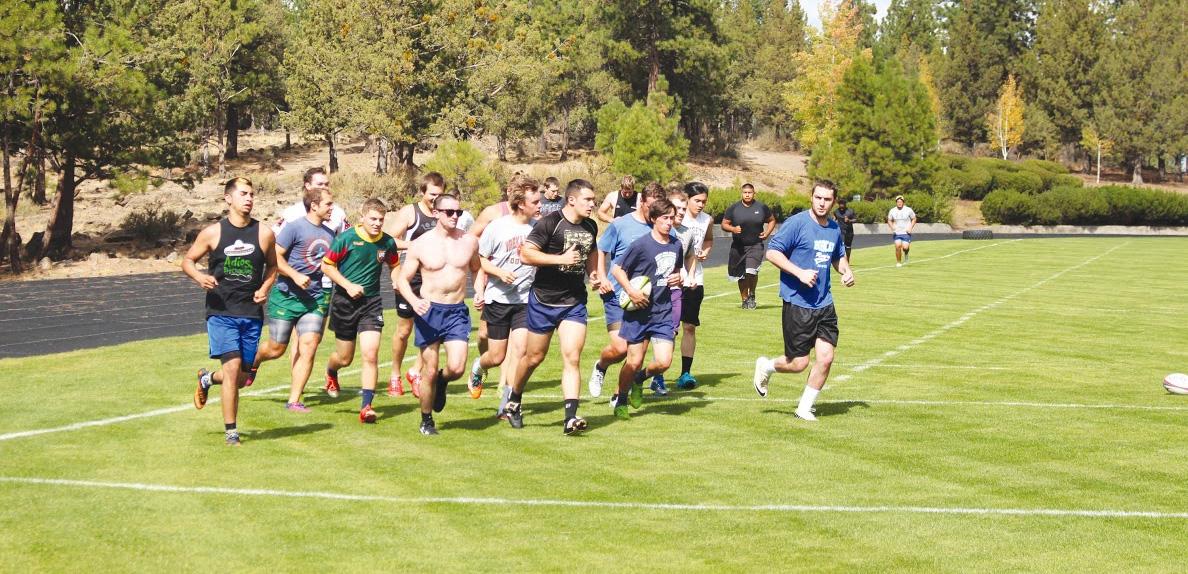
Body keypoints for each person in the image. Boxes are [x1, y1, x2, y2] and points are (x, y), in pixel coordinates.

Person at [185, 177, 278, 446]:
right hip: (221, 311)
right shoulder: (213, 233)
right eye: (243, 194)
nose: (249, 198)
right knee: (233, 365)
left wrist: (266, 287)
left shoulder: (264, 233)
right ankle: (231, 432)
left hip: (251, 313)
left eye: (252, 194)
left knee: (240, 377)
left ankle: (206, 379)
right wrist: (199, 276)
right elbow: (188, 261)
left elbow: (273, 267)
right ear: (228, 198)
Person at [752, 180, 855, 422]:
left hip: (824, 303)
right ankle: (766, 366)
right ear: (811, 197)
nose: (822, 203)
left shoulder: (834, 228)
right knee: (798, 363)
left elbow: (838, 256)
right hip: (798, 303)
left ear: (833, 201)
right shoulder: (797, 223)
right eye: (818, 198)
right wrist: (799, 272)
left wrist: (846, 271)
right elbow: (772, 253)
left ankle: (804, 408)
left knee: (826, 358)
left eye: (827, 199)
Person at [504, 179, 600, 435]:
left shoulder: (591, 225)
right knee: (534, 357)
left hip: (574, 302)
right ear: (571, 200)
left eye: (593, 200)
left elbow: (592, 252)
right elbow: (526, 254)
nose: (592, 204)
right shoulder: (550, 222)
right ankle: (514, 399)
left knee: (572, 356)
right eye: (588, 199)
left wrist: (593, 274)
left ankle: (570, 417)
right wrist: (560, 259)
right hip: (544, 301)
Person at [395, 193, 481, 436]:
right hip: (429, 310)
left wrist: (479, 291)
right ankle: (426, 419)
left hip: (456, 311)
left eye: (459, 212)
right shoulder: (420, 244)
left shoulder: (468, 241)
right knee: (429, 370)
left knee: (456, 368)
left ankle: (443, 382)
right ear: (436, 214)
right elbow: (403, 279)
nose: (455, 216)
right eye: (449, 212)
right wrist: (413, 300)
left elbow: (477, 269)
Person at [251, 185, 338, 412]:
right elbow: (274, 259)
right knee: (276, 349)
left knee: (309, 346)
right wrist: (295, 275)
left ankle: (294, 400)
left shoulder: (330, 234)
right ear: (314, 205)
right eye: (328, 204)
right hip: (286, 296)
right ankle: (255, 361)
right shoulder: (294, 228)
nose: (332, 208)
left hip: (315, 299)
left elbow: (330, 264)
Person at [321, 198, 401, 424]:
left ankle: (367, 406)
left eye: (381, 220)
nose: (377, 223)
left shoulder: (387, 242)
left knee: (371, 353)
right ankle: (331, 371)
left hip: (372, 303)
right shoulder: (346, 238)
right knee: (345, 358)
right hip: (345, 303)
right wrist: (347, 285)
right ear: (362, 217)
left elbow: (394, 265)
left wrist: (396, 280)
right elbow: (326, 265)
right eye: (373, 219)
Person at [469, 178, 542, 413]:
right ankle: (479, 367)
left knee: (520, 352)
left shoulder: (538, 228)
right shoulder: (497, 227)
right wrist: (499, 272)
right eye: (535, 201)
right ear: (521, 203)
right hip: (498, 299)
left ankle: (507, 406)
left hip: (524, 300)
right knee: (497, 356)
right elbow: (478, 259)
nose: (540, 205)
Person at [587, 183, 666, 400]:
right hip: (616, 294)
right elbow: (601, 250)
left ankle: (618, 395)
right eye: (651, 207)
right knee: (621, 348)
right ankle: (601, 366)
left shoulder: (661, 226)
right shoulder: (621, 224)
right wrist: (602, 278)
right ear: (641, 202)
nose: (654, 213)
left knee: (636, 357)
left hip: (645, 298)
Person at [609, 199, 684, 419]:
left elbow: (676, 270)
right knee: (633, 361)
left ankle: (640, 380)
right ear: (653, 219)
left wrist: (678, 277)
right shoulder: (641, 245)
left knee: (663, 362)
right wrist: (631, 290)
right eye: (665, 218)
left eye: (672, 218)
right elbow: (617, 270)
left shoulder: (676, 244)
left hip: (662, 312)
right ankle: (621, 399)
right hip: (638, 313)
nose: (669, 223)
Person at [381, 172, 444, 397]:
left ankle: (415, 371)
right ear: (423, 192)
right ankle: (395, 375)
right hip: (411, 279)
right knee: (404, 329)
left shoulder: (443, 213)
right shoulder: (411, 212)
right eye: (432, 194)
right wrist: (413, 246)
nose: (435, 199)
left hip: (434, 280)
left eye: (439, 194)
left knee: (432, 330)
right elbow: (387, 240)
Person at [673, 182, 713, 390]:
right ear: (686, 198)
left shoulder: (707, 220)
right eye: (697, 201)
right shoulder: (675, 215)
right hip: (671, 279)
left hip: (694, 279)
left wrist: (706, 250)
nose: (701, 205)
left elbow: (708, 240)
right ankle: (658, 374)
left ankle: (685, 373)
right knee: (668, 329)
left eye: (704, 202)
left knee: (689, 326)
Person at [721, 183, 774, 309]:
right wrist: (733, 229)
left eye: (750, 192)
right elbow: (724, 224)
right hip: (738, 247)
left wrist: (767, 233)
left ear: (754, 193)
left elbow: (772, 220)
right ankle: (744, 299)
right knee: (741, 275)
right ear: (741, 193)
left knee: (751, 271)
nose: (747, 194)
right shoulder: (734, 208)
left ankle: (752, 295)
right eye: (745, 192)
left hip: (755, 245)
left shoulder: (761, 207)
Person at [275, 167, 349, 234]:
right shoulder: (292, 213)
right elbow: (276, 237)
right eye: (319, 184)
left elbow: (347, 240)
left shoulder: (338, 213)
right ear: (308, 186)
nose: (324, 187)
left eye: (326, 184)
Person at [887, 195, 916, 267]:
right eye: (898, 202)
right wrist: (892, 228)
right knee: (897, 246)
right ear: (896, 202)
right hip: (897, 232)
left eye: (901, 202)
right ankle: (898, 262)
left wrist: (910, 228)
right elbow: (889, 220)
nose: (899, 203)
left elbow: (914, 219)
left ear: (903, 202)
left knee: (905, 247)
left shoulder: (908, 210)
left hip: (906, 232)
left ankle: (906, 254)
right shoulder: (892, 210)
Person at [834, 196, 856, 261]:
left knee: (848, 247)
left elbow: (855, 219)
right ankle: (842, 260)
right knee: (842, 245)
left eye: (842, 204)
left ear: (845, 204)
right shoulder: (836, 211)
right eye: (840, 204)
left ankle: (847, 259)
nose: (841, 205)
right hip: (841, 232)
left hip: (849, 232)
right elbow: (835, 218)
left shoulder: (850, 211)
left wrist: (849, 220)